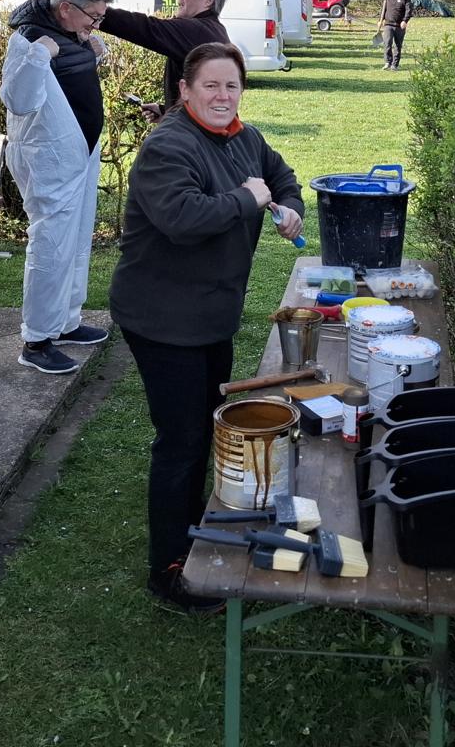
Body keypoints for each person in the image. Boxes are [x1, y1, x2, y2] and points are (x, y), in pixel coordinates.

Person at [109, 42, 304, 613]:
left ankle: (193, 522)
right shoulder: (168, 147)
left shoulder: (244, 137)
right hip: (163, 317)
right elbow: (181, 219)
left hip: (211, 313)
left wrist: (289, 203)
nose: (223, 96)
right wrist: (247, 198)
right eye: (211, 86)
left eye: (232, 86)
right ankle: (169, 570)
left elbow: (280, 175)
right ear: (186, 90)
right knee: (182, 439)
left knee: (205, 424)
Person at [0, 0, 114, 374]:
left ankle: (65, 322)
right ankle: (37, 340)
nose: (95, 24)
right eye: (93, 17)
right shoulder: (29, 39)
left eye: (100, 18)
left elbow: (65, 81)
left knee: (75, 241)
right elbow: (19, 99)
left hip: (77, 155)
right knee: (51, 246)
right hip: (48, 160)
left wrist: (93, 54)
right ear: (66, 8)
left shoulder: (69, 34)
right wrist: (38, 56)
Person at [97, 0, 230, 123]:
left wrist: (96, 12)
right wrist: (167, 111)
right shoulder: (213, 29)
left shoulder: (197, 30)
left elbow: (147, 28)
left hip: (200, 135)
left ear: (208, 1)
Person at [378, 0, 413, 70]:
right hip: (388, 25)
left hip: (399, 26)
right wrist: (380, 20)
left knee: (398, 45)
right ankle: (388, 62)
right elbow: (383, 9)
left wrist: (405, 21)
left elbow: (409, 11)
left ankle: (395, 65)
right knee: (387, 43)